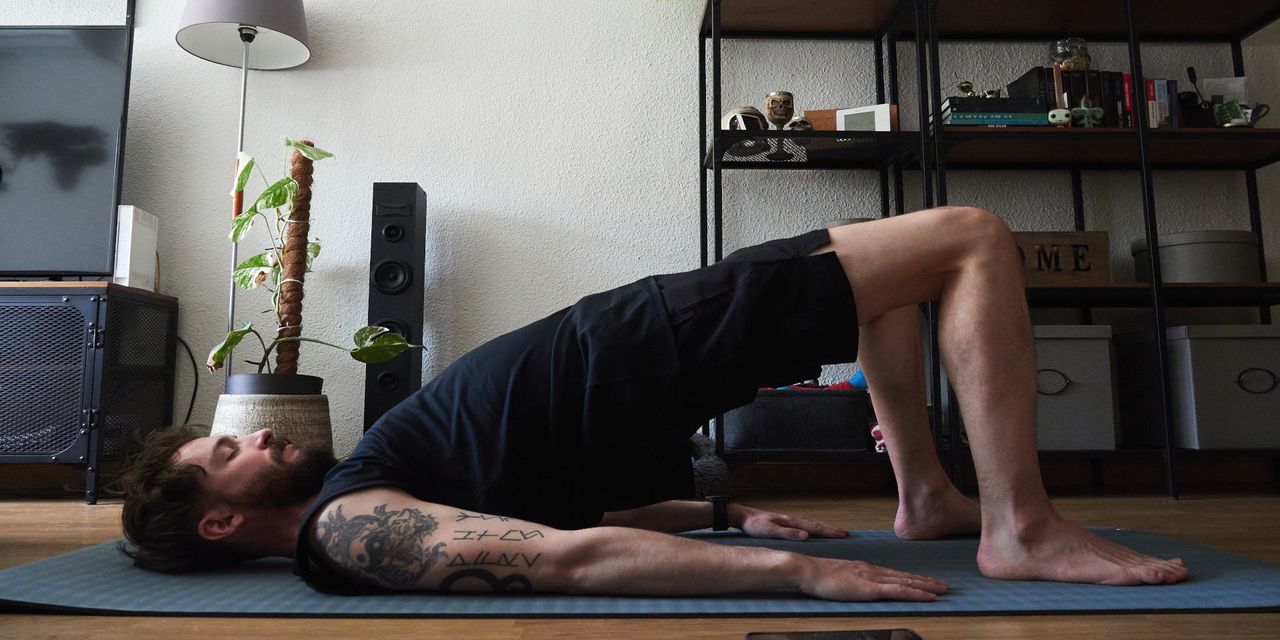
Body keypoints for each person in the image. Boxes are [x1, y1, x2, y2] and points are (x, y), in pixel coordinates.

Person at [119, 207, 1188, 599]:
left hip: (633, 351)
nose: (251, 429)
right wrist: (798, 574)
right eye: (223, 456)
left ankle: (928, 498)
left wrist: (723, 515)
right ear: (221, 520)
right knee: (969, 240)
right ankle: (1017, 525)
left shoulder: (371, 499)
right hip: (639, 349)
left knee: (913, 273)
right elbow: (565, 561)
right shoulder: (350, 528)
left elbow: (543, 510)